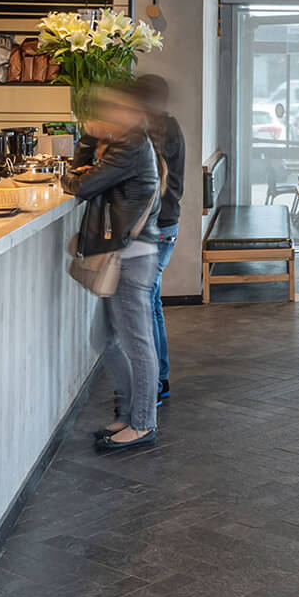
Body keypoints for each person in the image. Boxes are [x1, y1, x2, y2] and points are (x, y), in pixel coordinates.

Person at [69, 79, 164, 453]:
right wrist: (91, 142)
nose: (106, 114)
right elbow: (86, 179)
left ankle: (142, 424)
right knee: (104, 339)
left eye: (114, 107)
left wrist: (89, 140)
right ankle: (128, 414)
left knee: (136, 345)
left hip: (131, 257)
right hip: (124, 254)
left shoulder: (131, 145)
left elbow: (82, 184)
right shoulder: (125, 143)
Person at [137, 75, 185, 408]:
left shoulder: (147, 136)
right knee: (152, 303)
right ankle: (158, 378)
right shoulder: (172, 128)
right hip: (168, 225)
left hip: (155, 228)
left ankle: (154, 382)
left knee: (147, 305)